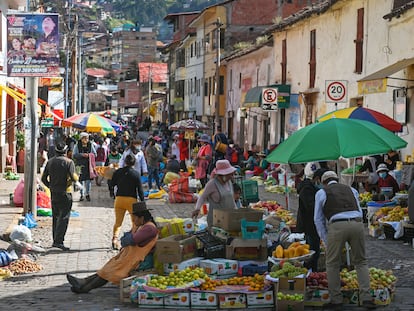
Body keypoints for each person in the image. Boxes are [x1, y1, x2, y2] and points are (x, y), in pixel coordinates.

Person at [314, 171, 376, 310]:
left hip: (337, 226)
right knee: (361, 261)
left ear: (323, 182)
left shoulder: (322, 193)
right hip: (357, 223)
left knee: (332, 263)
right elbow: (359, 210)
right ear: (337, 179)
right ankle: (366, 298)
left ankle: (336, 300)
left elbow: (318, 219)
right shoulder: (351, 189)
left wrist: (325, 239)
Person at [66, 202, 158, 293]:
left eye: (135, 218)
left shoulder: (149, 228)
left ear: (141, 218)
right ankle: (84, 282)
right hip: (129, 257)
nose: (133, 221)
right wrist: (127, 237)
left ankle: (85, 288)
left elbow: (130, 240)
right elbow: (126, 238)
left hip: (138, 260)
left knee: (111, 271)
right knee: (108, 268)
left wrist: (127, 238)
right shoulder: (141, 226)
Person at [41, 142, 79, 251]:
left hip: (54, 193)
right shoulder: (69, 162)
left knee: (55, 216)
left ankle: (55, 240)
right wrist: (76, 178)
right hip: (65, 193)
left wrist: (51, 187)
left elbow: (44, 179)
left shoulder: (50, 162)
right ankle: (59, 241)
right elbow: (73, 177)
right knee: (64, 217)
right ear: (66, 151)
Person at [109, 154, 145, 250]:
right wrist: (142, 201)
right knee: (134, 222)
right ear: (134, 163)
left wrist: (111, 193)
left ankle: (114, 239)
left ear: (125, 162)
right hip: (131, 200)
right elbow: (140, 190)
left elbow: (112, 183)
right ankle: (132, 240)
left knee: (118, 222)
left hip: (119, 199)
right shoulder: (136, 174)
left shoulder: (118, 172)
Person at [296, 166, 327, 272]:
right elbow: (311, 206)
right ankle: (310, 271)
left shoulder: (312, 188)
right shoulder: (306, 189)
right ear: (317, 179)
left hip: (313, 223)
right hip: (309, 224)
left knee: (314, 249)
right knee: (313, 251)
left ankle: (311, 271)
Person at [192, 159, 237, 227]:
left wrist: (237, 211)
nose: (231, 177)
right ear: (221, 175)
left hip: (229, 218)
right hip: (216, 220)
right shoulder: (212, 184)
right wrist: (197, 208)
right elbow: (202, 197)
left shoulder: (229, 182)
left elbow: (231, 200)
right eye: (229, 175)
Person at [72, 132, 97, 202]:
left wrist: (89, 155)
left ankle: (87, 194)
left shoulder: (90, 145)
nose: (86, 139)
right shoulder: (77, 145)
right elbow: (74, 155)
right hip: (80, 165)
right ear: (81, 138)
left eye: (87, 138)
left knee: (88, 181)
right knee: (81, 180)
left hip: (88, 165)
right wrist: (82, 155)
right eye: (84, 138)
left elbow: (95, 154)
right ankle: (81, 195)